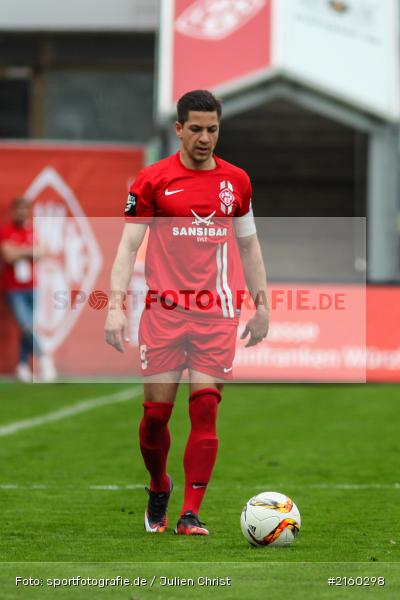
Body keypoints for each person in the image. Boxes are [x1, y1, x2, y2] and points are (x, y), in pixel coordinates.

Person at [105, 90, 269, 535]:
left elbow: (250, 245)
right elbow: (127, 247)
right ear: (178, 129)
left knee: (205, 408)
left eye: (212, 129)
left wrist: (262, 305)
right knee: (156, 416)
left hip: (216, 313)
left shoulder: (237, 181)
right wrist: (115, 308)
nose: (204, 137)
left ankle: (189, 513)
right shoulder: (152, 180)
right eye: (195, 128)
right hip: (163, 312)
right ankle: (159, 485)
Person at [0, 196, 56, 383]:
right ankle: (44, 358)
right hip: (13, 287)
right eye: (18, 210)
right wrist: (27, 250)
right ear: (14, 212)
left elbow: (40, 252)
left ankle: (22, 365)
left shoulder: (31, 231)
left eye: (24, 210)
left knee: (28, 327)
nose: (21, 214)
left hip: (32, 286)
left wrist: (20, 251)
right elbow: (8, 255)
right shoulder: (6, 231)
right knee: (25, 324)